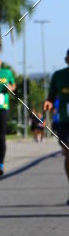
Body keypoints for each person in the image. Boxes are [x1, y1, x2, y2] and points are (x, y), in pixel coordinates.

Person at [43, 48, 69, 203]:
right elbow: (51, 95)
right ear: (67, 60)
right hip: (66, 120)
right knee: (67, 151)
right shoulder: (59, 76)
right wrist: (48, 102)